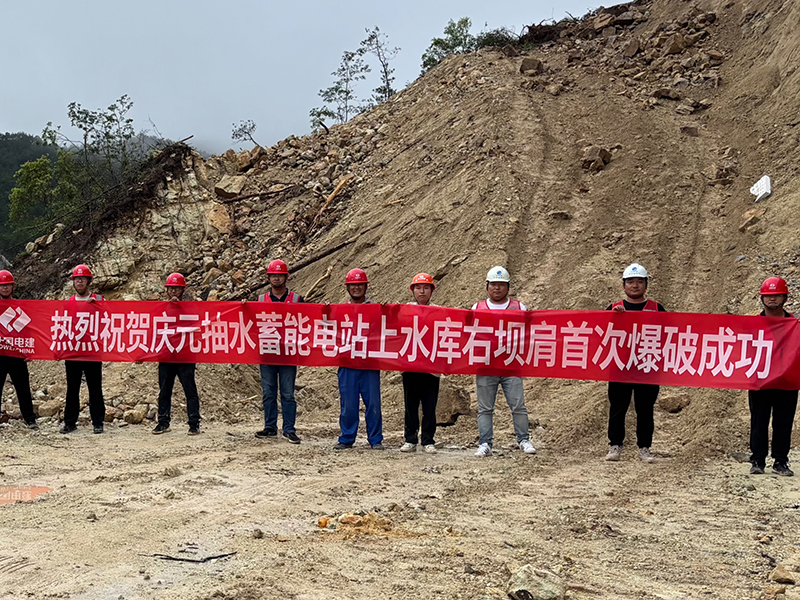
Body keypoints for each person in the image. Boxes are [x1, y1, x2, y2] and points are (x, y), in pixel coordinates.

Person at [471, 266, 536, 457]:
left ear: (508, 287)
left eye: (501, 284)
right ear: (487, 286)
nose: (497, 288)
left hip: (511, 365)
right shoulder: (477, 308)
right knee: (485, 408)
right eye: (493, 284)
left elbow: (529, 334)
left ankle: (523, 439)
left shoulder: (519, 308)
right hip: (486, 366)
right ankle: (485, 443)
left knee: (518, 405)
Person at [604, 263, 666, 463]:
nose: (635, 285)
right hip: (620, 367)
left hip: (647, 366)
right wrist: (614, 318)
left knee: (645, 409)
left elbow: (670, 334)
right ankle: (615, 445)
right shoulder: (613, 308)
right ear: (624, 285)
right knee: (617, 408)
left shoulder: (657, 309)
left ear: (646, 285)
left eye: (639, 281)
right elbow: (601, 334)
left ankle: (645, 448)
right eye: (630, 281)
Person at [748, 277, 797, 476]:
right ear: (762, 299)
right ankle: (757, 460)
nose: (772, 299)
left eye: (777, 295)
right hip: (760, 381)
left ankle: (780, 461)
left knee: (783, 422)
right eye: (768, 296)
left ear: (785, 297)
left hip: (787, 382)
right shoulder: (752, 325)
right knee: (758, 421)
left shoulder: (795, 325)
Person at [252, 259, 303, 444]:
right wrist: (243, 307)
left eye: (279, 275)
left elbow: (308, 321)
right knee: (268, 392)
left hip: (288, 354)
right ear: (268, 278)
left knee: (288, 394)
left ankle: (289, 429)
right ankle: (270, 427)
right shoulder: (260, 300)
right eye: (273, 275)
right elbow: (250, 323)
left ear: (286, 277)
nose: (276, 278)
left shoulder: (297, 300)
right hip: (267, 354)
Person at [334, 268, 383, 450]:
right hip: (347, 364)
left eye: (360, 284)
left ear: (365, 286)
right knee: (348, 404)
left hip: (370, 364)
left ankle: (375, 439)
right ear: (348, 287)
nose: (356, 288)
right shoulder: (340, 311)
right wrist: (324, 312)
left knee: (373, 403)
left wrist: (389, 311)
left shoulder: (376, 310)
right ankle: (347, 438)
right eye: (353, 285)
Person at [152, 273, 202, 435]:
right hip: (166, 355)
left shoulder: (190, 308)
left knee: (190, 390)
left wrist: (180, 306)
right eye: (171, 288)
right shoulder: (161, 308)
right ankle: (163, 422)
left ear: (182, 290)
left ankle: (194, 423)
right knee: (164, 391)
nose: (173, 291)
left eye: (177, 288)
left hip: (185, 355)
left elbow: (198, 325)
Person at [61, 264, 106, 434]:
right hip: (73, 352)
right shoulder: (68, 302)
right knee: (72, 389)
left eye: (82, 279)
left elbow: (110, 317)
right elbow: (62, 325)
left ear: (88, 281)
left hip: (92, 351)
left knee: (95, 388)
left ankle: (98, 422)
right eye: (77, 279)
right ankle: (70, 422)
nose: (79, 282)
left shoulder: (99, 299)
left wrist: (97, 306)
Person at [400, 273, 440, 454]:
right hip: (410, 366)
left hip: (431, 367)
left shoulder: (440, 312)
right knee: (410, 405)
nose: (422, 291)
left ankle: (428, 440)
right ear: (413, 291)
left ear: (431, 290)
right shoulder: (404, 310)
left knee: (430, 406)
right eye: (418, 288)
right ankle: (410, 439)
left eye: (425, 288)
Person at [0, 270, 38, 429]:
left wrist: (29, 351)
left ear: (13, 286)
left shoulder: (20, 306)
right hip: (0, 355)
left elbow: (28, 330)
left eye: (7, 285)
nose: (5, 288)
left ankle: (30, 419)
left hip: (17, 354)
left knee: (23, 388)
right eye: (2, 285)